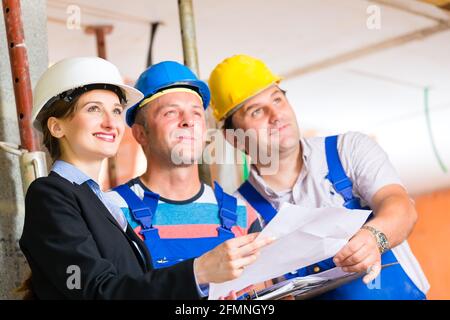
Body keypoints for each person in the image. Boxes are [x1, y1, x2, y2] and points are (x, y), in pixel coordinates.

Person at [19, 56, 272, 300]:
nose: (110, 123)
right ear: (56, 126)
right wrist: (199, 271)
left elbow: (136, 291)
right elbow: (95, 292)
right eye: (94, 109)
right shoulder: (50, 195)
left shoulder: (100, 204)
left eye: (117, 111)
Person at [207, 54, 430, 299]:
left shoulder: (348, 150)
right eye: (257, 111)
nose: (276, 114)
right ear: (234, 138)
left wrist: (373, 237)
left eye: (278, 99)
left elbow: (401, 208)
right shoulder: (240, 210)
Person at [106, 61, 264, 296]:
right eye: (170, 112)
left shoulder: (244, 214)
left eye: (196, 113)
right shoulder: (111, 212)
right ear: (141, 133)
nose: (188, 121)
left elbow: (262, 290)